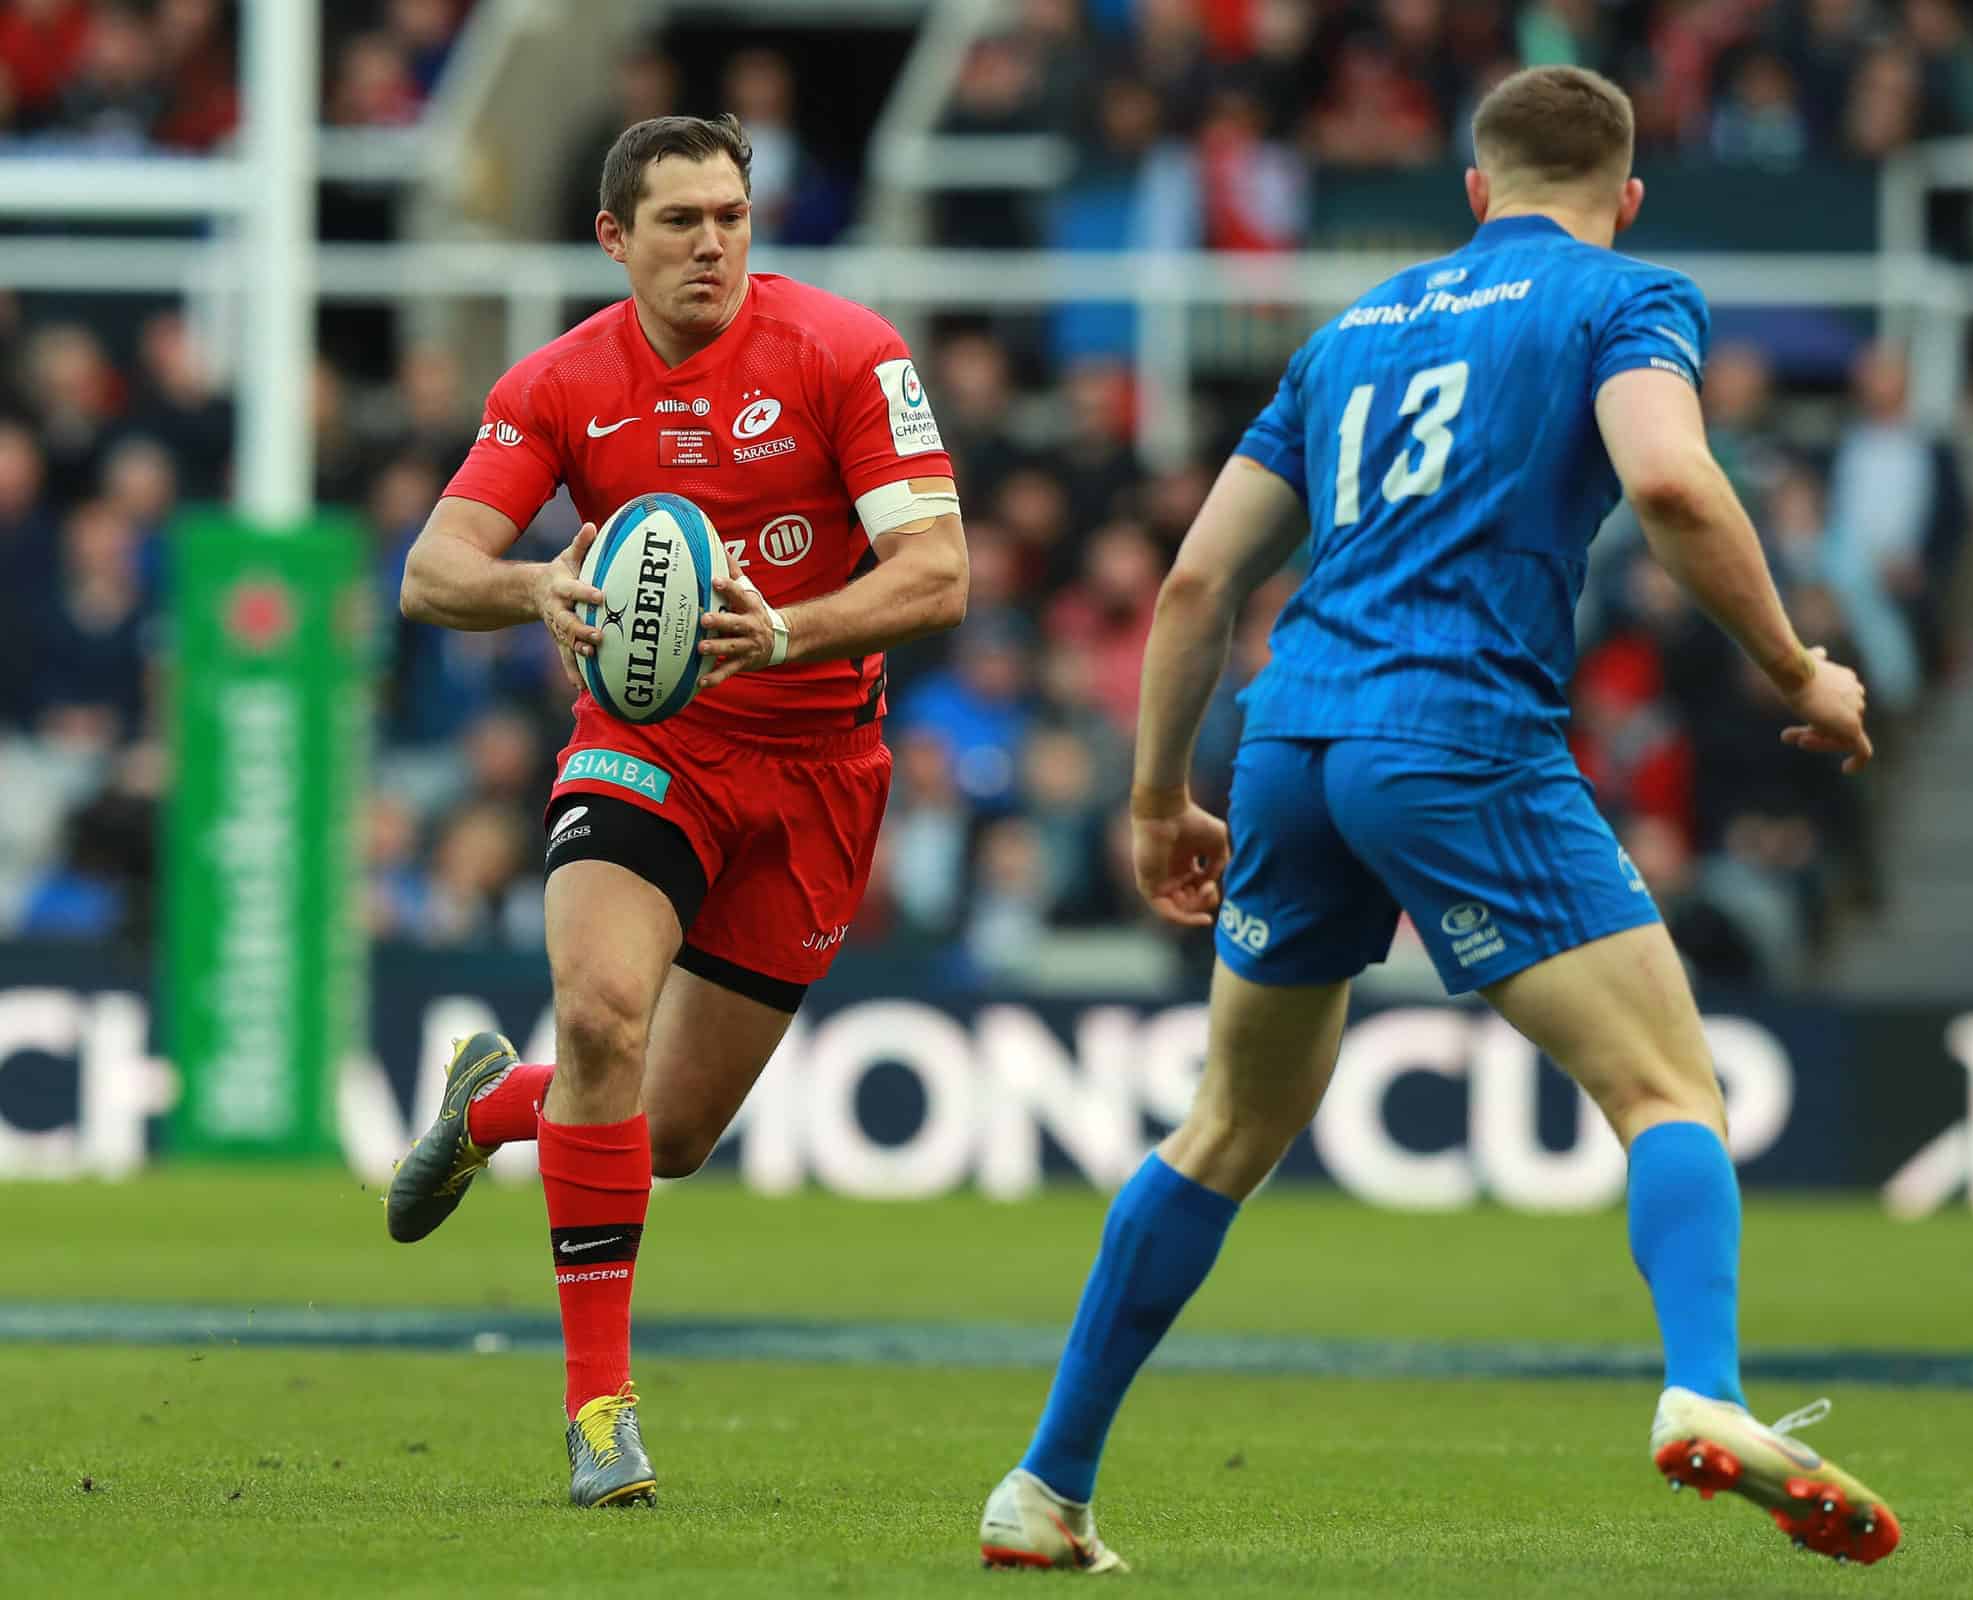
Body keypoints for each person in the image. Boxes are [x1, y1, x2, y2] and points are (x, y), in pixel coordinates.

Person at [975, 66, 1897, 1573]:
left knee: (1224, 1128)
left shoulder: (1350, 331)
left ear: (1474, 192)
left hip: (1286, 741)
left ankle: (1046, 1487)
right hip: (1458, 736)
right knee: (1671, 1095)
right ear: (1629, 194)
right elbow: (1670, 478)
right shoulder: (1625, 294)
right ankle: (1706, 1394)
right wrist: (1801, 668)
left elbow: (1202, 582)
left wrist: (1158, 797)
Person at [389, 113, 967, 1508]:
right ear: (613, 239)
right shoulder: (558, 385)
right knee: (598, 1012)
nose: (712, 241)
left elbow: (939, 572)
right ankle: (601, 1417)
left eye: (731, 215)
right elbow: (430, 570)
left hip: (821, 769)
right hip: (651, 748)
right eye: (678, 221)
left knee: (674, 1132)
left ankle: (491, 1113)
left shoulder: (847, 353)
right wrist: (539, 587)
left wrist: (789, 634)